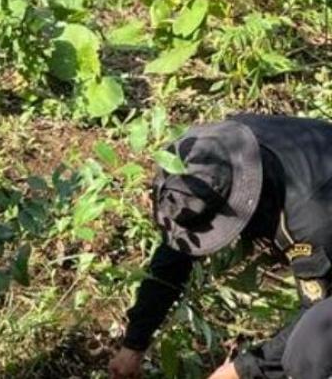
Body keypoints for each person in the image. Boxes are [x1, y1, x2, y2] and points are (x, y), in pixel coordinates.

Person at [108, 115, 332, 379]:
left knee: (306, 357)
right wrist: (134, 343)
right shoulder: (211, 155)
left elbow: (319, 322)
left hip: (320, 199)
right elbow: (177, 251)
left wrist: (243, 370)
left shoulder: (309, 221)